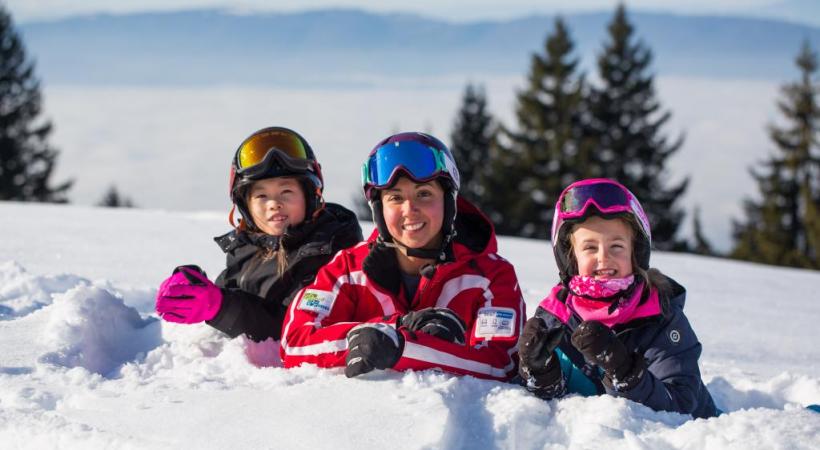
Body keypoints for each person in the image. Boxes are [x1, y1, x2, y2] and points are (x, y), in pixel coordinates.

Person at [279, 132, 525, 380]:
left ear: (449, 201)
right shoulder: (348, 268)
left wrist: (403, 347)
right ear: (379, 208)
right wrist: (393, 329)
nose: (410, 210)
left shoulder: (491, 276)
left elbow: (499, 363)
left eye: (424, 194)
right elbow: (295, 343)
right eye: (395, 198)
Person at [155, 126, 362, 366]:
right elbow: (231, 294)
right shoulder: (247, 248)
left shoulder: (331, 250)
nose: (274, 203)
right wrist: (194, 285)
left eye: (286, 191)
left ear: (309, 195)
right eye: (261, 196)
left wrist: (218, 306)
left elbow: (294, 326)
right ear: (245, 205)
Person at [517, 178, 718, 418]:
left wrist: (625, 372)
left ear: (635, 253)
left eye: (616, 246)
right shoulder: (556, 318)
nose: (603, 258)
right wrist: (539, 371)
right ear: (571, 257)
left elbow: (682, 405)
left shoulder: (660, 317)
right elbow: (552, 403)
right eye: (590, 248)